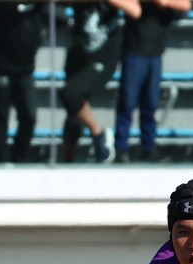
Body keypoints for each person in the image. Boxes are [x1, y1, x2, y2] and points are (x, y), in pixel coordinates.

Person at [61, 0, 139, 164]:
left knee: (71, 93)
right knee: (73, 110)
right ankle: (67, 160)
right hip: (79, 50)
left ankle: (99, 133)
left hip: (103, 53)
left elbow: (135, 10)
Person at [113, 0, 191, 164]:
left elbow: (185, 5)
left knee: (150, 104)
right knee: (127, 102)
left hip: (154, 54)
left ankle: (148, 148)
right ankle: (121, 149)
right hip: (134, 52)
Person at [0, 0, 45, 164]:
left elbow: (59, 16)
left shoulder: (40, 6)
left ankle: (20, 158)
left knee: (29, 116)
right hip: (0, 65)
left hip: (25, 68)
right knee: (0, 116)